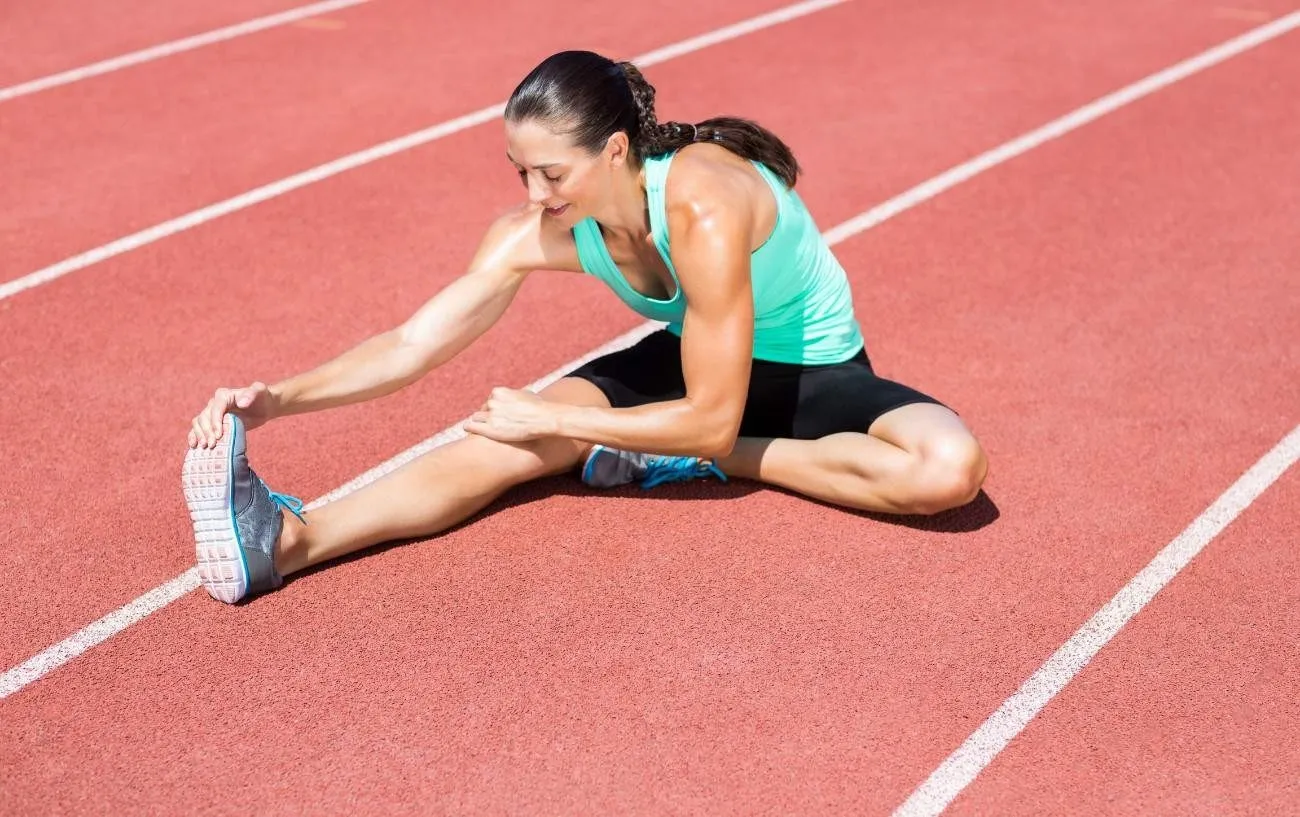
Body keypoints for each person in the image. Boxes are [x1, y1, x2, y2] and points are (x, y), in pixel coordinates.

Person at [182, 50, 988, 604]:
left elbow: (710, 417)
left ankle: (658, 452)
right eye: (519, 171)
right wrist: (276, 400)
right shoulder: (536, 231)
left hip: (814, 373)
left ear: (612, 151)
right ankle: (287, 542)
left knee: (948, 470)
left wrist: (566, 419)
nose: (535, 194)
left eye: (552, 173)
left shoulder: (702, 201)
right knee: (503, 449)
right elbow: (410, 346)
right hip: (690, 360)